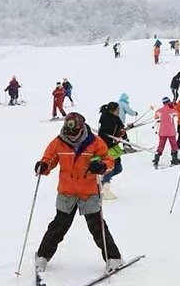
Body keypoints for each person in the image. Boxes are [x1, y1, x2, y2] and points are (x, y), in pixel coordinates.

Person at [33, 113, 123, 275]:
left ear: (82, 128)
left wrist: (102, 166)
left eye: (74, 134)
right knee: (58, 226)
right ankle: (42, 256)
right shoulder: (59, 141)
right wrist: (44, 166)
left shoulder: (95, 142)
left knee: (97, 226)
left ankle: (114, 258)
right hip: (67, 191)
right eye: (68, 133)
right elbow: (50, 158)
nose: (71, 137)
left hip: (88, 191)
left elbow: (108, 160)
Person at [97, 102, 126, 197]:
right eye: (117, 110)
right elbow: (102, 134)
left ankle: (102, 181)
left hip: (113, 146)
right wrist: (112, 140)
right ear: (112, 110)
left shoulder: (116, 119)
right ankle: (105, 189)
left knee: (118, 168)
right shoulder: (106, 119)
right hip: (105, 147)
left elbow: (121, 129)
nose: (119, 111)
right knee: (110, 167)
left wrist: (123, 136)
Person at [153, 97, 180, 168]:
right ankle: (174, 159)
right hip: (171, 132)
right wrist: (173, 106)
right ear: (169, 102)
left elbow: (156, 116)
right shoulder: (172, 110)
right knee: (174, 145)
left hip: (162, 132)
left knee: (161, 145)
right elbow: (178, 113)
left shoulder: (160, 110)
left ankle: (156, 159)